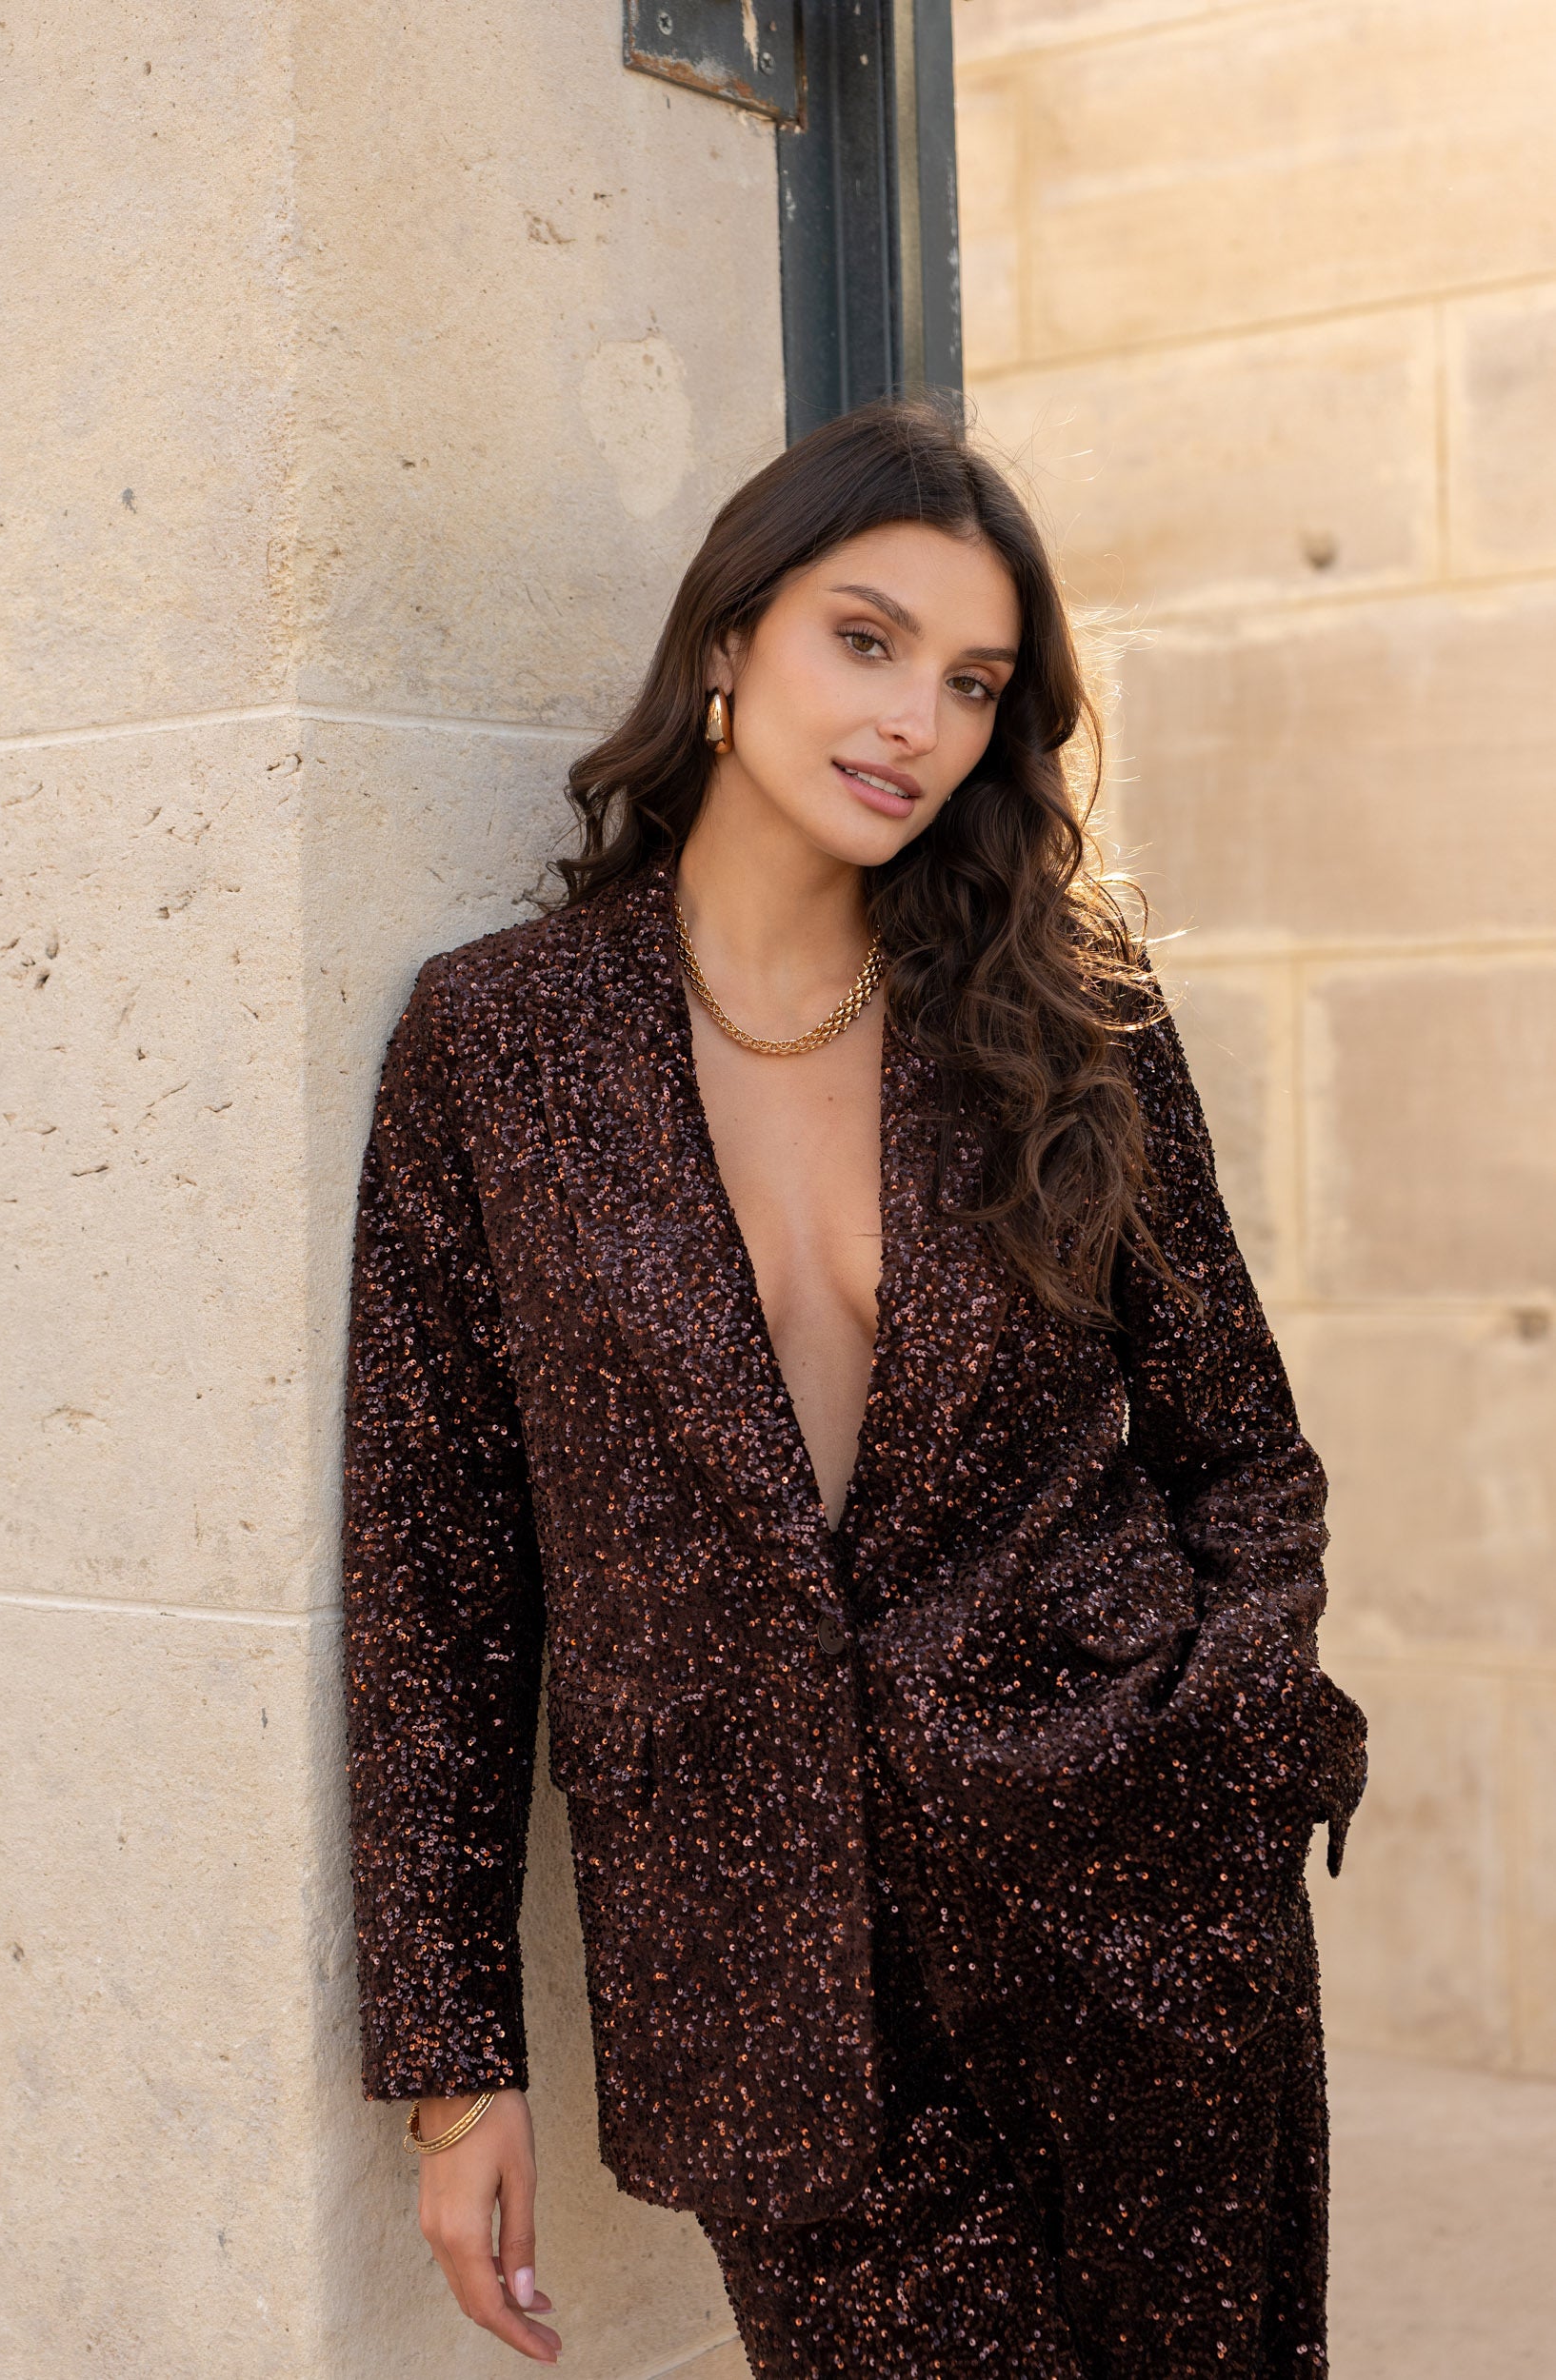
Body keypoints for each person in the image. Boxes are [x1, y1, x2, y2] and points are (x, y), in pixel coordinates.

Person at [342, 400, 1367, 2377]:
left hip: (1141, 1906)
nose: (918, 716)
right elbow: (434, 1580)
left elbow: (1244, 1450)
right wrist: (455, 2059)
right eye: (866, 639)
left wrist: (1223, 1740)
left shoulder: (1065, 1018)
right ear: (728, 642)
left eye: (975, 682)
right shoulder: (498, 1045)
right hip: (765, 1975)